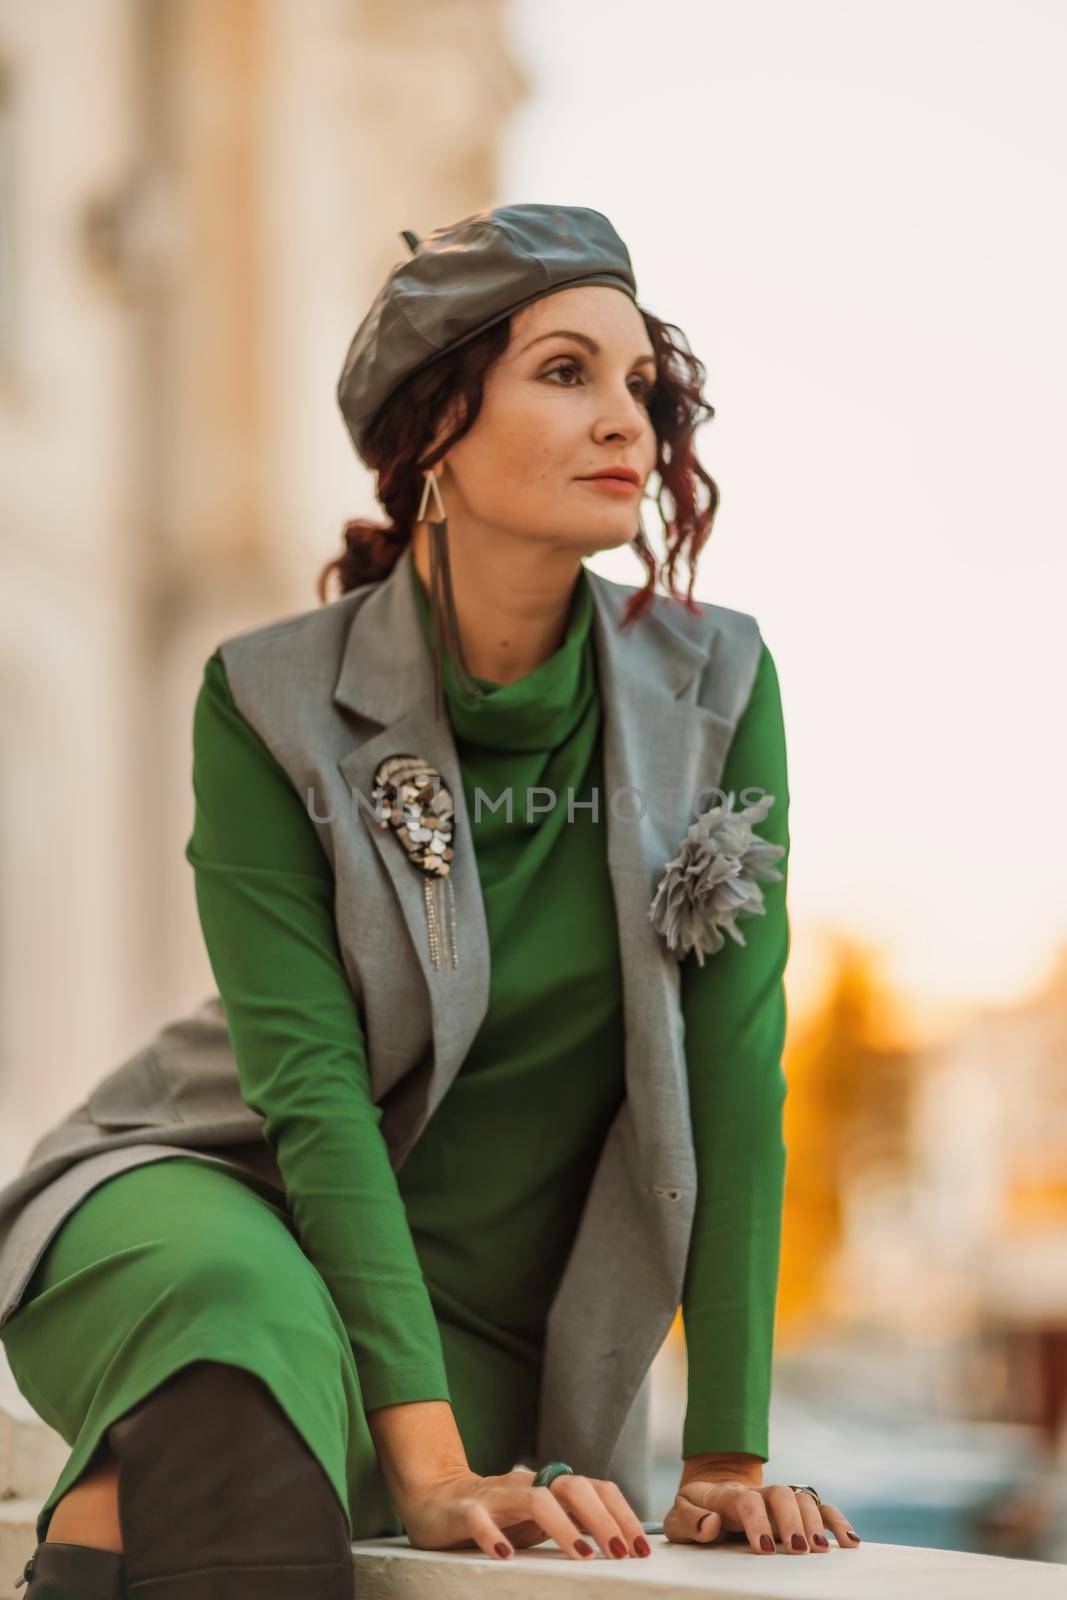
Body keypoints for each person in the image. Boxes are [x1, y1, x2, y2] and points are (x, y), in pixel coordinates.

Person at [0, 204, 859, 1598]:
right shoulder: (270, 699)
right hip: (208, 1198)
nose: (625, 422)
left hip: (488, 1328)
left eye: (641, 384)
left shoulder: (717, 691)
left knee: (176, 1468)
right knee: (233, 1337)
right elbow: (314, 1091)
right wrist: (430, 1462)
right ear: (433, 433)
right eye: (566, 373)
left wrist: (728, 1459)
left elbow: (733, 1073)